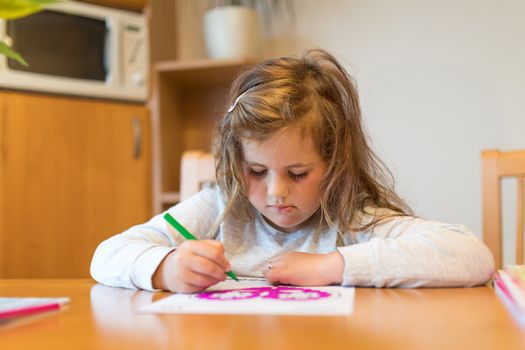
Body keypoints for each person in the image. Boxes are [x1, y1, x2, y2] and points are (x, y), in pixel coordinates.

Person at [90, 49, 494, 293]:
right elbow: (106, 256)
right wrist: (164, 268)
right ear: (236, 162)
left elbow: (470, 256)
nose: (275, 191)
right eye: (256, 170)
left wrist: (330, 265)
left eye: (298, 173)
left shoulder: (349, 218)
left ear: (334, 163)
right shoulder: (220, 208)